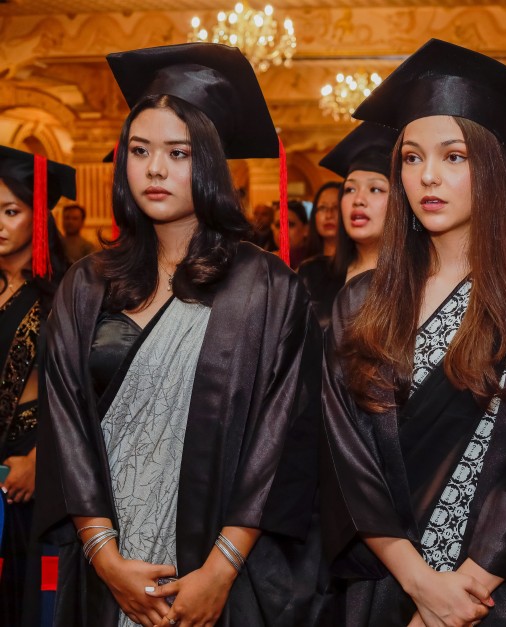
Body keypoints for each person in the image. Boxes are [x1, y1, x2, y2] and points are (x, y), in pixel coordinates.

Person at [34, 43, 321, 627]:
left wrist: (220, 571)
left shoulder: (267, 286)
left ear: (211, 163)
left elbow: (282, 437)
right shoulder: (86, 283)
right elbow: (65, 425)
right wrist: (106, 559)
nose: (155, 169)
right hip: (104, 566)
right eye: (139, 150)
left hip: (223, 570)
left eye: (178, 152)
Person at [320, 39, 506, 626]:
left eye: (453, 157)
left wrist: (460, 594)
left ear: (492, 165)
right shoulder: (360, 302)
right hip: (388, 586)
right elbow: (348, 459)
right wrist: (422, 587)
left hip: (501, 593)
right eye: (411, 158)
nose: (428, 177)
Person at [0, 146, 73, 627]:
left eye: (11, 212)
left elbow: (88, 394)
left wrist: (40, 458)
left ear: (38, 218)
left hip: (32, 466)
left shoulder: (66, 293)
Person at [298, 122, 396, 329]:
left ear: (399, 203)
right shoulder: (313, 275)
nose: (358, 199)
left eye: (375, 189)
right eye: (350, 189)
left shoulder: (418, 281)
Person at [304, 181, 341, 260]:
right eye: (322, 208)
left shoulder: (362, 263)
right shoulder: (304, 263)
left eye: (336, 207)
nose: (329, 215)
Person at [274, 199, 309, 270]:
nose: (282, 231)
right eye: (278, 225)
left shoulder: (314, 265)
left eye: (290, 225)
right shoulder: (269, 261)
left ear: (306, 229)